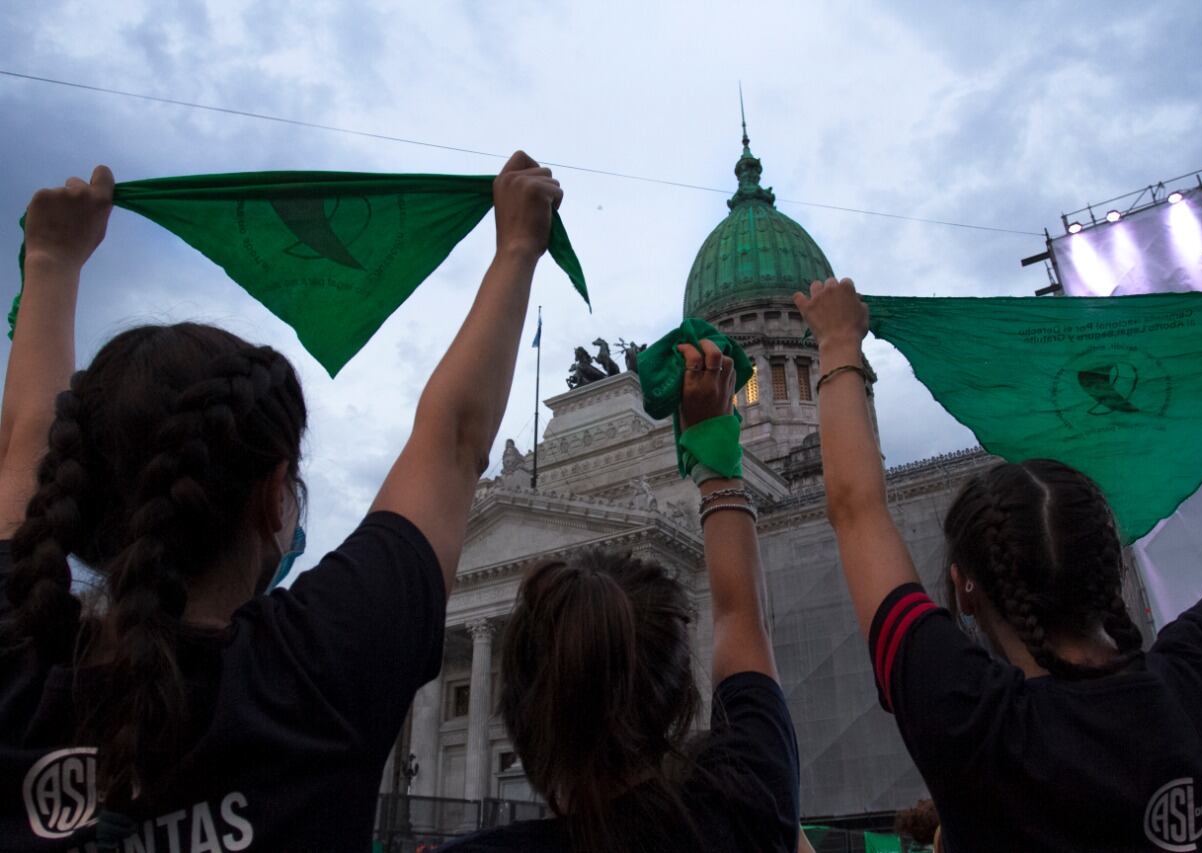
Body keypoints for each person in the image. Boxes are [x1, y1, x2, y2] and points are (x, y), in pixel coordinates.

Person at [0, 151, 563, 850]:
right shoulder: (319, 665)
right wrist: (518, 247)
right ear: (273, 499)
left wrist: (49, 263)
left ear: (75, 496)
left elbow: (23, 447)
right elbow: (453, 438)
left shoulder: (15, 663)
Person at [795, 277, 1202, 852]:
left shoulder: (972, 723)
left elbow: (856, 511)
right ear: (1112, 561)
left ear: (964, 588)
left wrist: (837, 342)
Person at [440, 339, 799, 852]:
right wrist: (713, 448)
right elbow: (742, 619)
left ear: (524, 719)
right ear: (679, 695)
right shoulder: (744, 817)